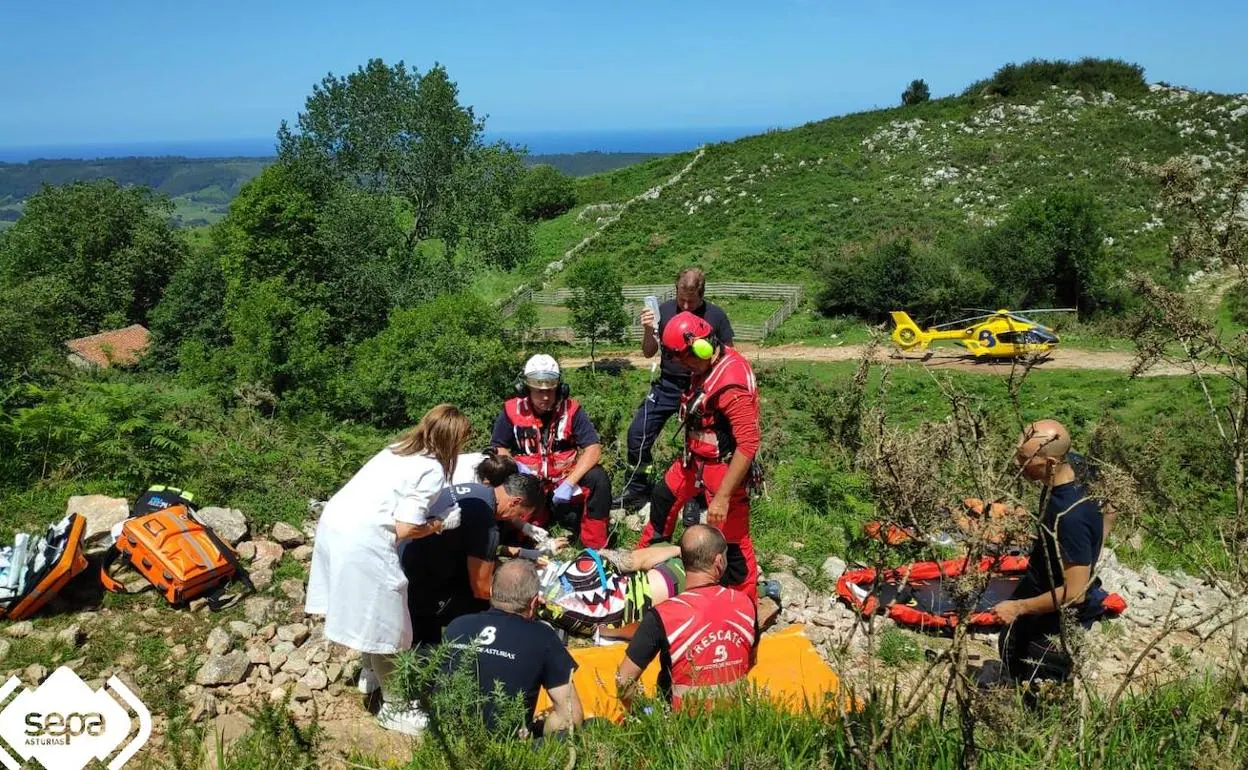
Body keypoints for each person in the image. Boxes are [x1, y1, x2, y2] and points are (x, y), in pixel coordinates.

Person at [305, 404, 471, 736]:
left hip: (336, 525)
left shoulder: (397, 450)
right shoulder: (431, 468)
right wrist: (440, 524)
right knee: (390, 622)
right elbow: (406, 528)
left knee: (370, 609)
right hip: (364, 538)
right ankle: (395, 708)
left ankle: (370, 674)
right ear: (453, 439)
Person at [637, 311, 761, 602]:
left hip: (723, 468)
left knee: (733, 540)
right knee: (663, 498)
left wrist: (723, 497)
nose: (683, 365)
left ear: (702, 347)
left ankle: (743, 604)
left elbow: (748, 443)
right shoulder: (706, 366)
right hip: (694, 461)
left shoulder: (731, 384)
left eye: (685, 358)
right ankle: (647, 563)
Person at [992, 419, 1114, 689]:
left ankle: (1043, 699)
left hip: (1056, 607)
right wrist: (1095, 543)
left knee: (1026, 659)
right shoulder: (1080, 466)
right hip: (1043, 574)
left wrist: (1018, 607)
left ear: (1050, 463)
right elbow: (1114, 499)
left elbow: (1074, 593)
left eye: (1024, 458)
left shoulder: (1067, 516)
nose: (1017, 462)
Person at [619, 268, 735, 512]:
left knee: (702, 445)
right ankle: (637, 490)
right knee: (637, 434)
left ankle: (699, 495)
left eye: (691, 301)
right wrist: (649, 330)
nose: (684, 305)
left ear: (701, 294)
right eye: (681, 298)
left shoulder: (716, 316)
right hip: (667, 385)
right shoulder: (664, 311)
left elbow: (728, 357)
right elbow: (649, 351)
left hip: (701, 389)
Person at [616, 525, 757, 711]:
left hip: (679, 726)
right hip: (736, 719)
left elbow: (623, 682)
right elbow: (750, 660)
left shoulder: (663, 615)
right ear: (719, 561)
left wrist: (643, 715)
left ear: (683, 560)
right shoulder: (746, 605)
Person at [401, 474, 544, 651]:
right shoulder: (487, 526)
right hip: (419, 582)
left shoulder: (477, 491)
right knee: (483, 604)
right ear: (515, 501)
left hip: (402, 555)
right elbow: (482, 590)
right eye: (521, 515)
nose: (514, 520)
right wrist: (521, 598)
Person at [443, 560, 584, 737]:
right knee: (592, 725)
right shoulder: (543, 637)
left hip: (445, 739)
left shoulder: (457, 625)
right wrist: (538, 729)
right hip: (504, 747)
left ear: (492, 591)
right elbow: (571, 717)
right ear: (533, 603)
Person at [492, 354, 613, 549]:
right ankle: (513, 542)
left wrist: (569, 483)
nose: (546, 397)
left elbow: (593, 448)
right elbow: (498, 447)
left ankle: (595, 547)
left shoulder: (572, 409)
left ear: (559, 388)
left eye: (550, 390)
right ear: (526, 389)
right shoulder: (511, 410)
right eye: (539, 391)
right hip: (531, 485)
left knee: (598, 478)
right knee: (497, 477)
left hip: (564, 484)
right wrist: (517, 467)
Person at [535, 543, 685, 639]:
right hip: (666, 583)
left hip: (631, 615)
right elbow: (633, 560)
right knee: (658, 550)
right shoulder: (585, 563)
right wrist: (680, 549)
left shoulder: (552, 612)